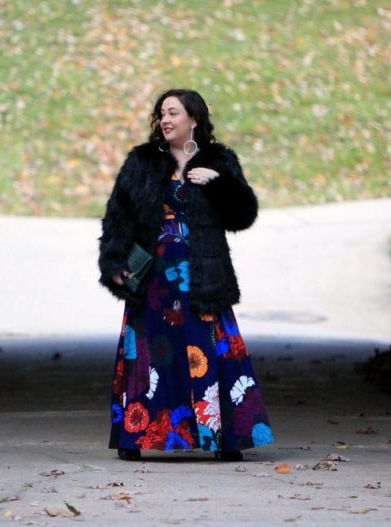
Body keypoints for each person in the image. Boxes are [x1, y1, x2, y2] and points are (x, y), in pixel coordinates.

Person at [98, 89, 274, 461]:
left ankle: (224, 438)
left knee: (210, 349)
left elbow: (243, 215)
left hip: (204, 273)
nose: (165, 120)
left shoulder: (219, 160)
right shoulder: (142, 161)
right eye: (161, 113)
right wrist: (114, 263)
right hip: (153, 278)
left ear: (194, 118)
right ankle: (137, 437)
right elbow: (118, 215)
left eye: (173, 113)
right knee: (149, 355)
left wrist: (220, 182)